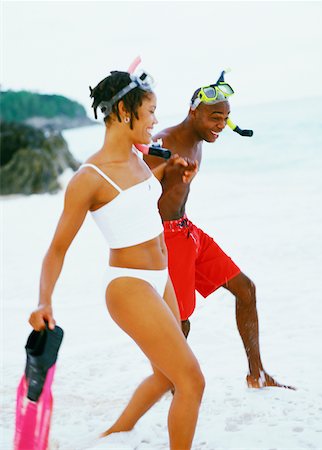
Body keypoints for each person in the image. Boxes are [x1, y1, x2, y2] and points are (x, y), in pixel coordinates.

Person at [28, 68, 205, 449]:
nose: (156, 120)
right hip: (130, 285)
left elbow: (136, 204)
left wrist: (169, 171)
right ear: (125, 112)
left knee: (166, 375)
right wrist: (44, 300)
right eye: (151, 111)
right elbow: (56, 248)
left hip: (162, 278)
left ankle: (113, 435)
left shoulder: (140, 159)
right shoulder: (88, 178)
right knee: (192, 379)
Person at [144, 75, 293, 389]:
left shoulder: (200, 140)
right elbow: (134, 195)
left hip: (189, 232)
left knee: (246, 290)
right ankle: (172, 387)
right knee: (180, 320)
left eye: (226, 118)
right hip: (166, 238)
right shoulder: (163, 143)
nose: (222, 124)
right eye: (215, 117)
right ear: (194, 112)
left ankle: (258, 375)